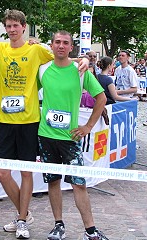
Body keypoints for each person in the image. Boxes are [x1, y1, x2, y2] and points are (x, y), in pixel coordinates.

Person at [0, 10, 89, 239]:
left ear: (23, 26)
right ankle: (26, 213)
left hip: (30, 121)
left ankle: (21, 220)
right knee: (2, 173)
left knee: (26, 173)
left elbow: (64, 58)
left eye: (15, 26)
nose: (11, 30)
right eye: (8, 26)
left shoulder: (37, 49)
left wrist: (86, 59)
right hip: (4, 121)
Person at [37, 30, 109, 240]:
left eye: (65, 43)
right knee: (53, 182)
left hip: (70, 138)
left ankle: (90, 230)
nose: (60, 45)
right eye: (57, 42)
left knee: (79, 183)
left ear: (71, 47)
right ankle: (58, 225)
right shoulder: (42, 70)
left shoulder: (81, 70)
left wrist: (87, 126)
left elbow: (101, 98)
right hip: (46, 136)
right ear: (51, 46)